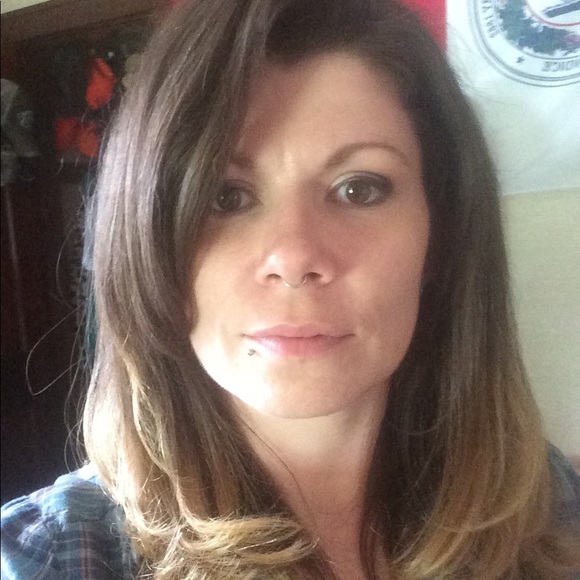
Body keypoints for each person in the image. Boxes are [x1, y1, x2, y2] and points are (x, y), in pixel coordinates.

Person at [2, 0, 579, 578]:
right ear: (149, 243)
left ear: (441, 235)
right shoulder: (50, 558)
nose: (295, 258)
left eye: (359, 189)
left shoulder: (548, 505)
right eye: (226, 196)